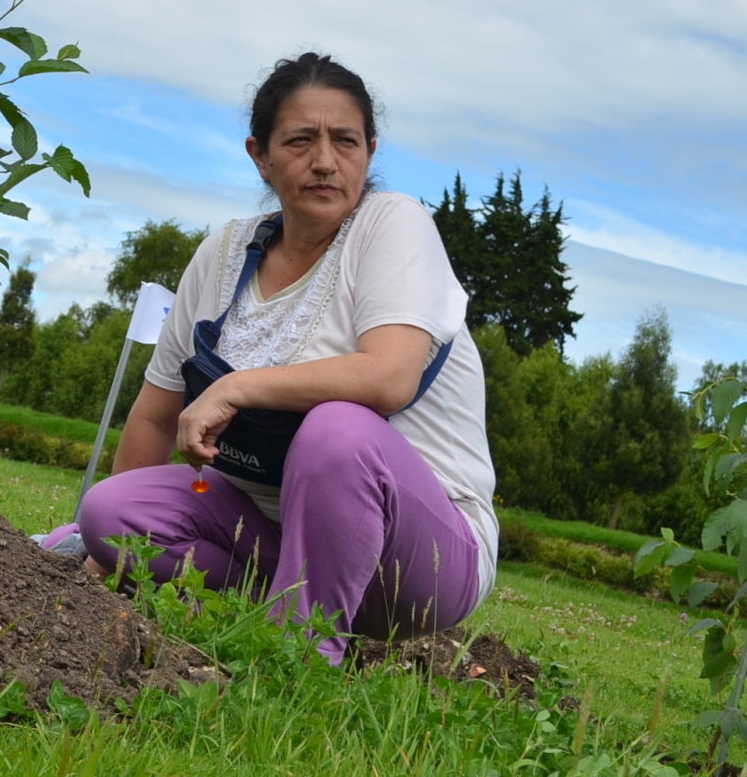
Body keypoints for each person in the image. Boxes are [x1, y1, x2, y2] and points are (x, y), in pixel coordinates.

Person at [74, 53, 497, 666]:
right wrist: (106, 556)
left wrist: (236, 387)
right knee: (110, 511)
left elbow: (388, 376)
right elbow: (154, 415)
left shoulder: (392, 226)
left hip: (418, 561)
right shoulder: (224, 253)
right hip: (273, 544)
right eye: (300, 141)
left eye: (345, 141)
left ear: (370, 152)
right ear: (260, 156)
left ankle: (297, 657)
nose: (325, 161)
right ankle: (270, 607)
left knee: (338, 429)